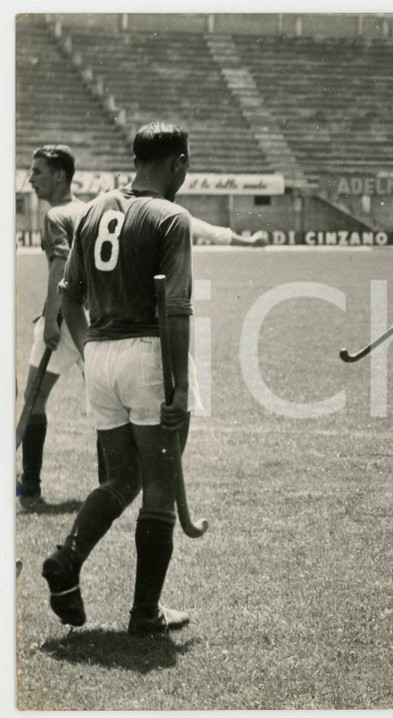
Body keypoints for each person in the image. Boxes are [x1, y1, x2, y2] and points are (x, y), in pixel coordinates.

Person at [43, 122, 196, 634]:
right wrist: (181, 387)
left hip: (101, 356)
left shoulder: (92, 211)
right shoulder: (172, 217)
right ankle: (145, 613)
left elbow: (69, 297)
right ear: (177, 163)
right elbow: (175, 309)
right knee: (157, 490)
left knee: (119, 479)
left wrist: (90, 351)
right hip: (148, 355)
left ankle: (68, 559)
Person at [17, 145, 88, 502]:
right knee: (109, 404)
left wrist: (49, 319)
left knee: (33, 400)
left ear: (59, 175)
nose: (31, 179)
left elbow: (60, 267)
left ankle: (30, 488)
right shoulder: (91, 209)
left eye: (38, 171)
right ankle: (113, 485)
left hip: (62, 321)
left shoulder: (56, 215)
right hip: (94, 323)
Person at [189, 216, 270, 247]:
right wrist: (251, 241)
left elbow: (216, 234)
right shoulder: (181, 216)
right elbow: (214, 234)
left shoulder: (182, 216)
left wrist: (251, 241)